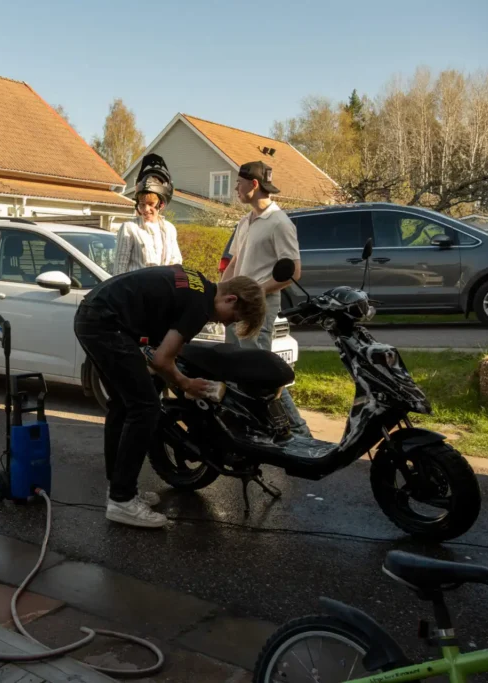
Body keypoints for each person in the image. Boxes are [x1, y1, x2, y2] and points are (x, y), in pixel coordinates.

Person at [75, 264, 266, 528]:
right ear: (230, 298)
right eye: (231, 318)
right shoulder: (200, 306)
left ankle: (119, 490)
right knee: (145, 408)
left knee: (123, 405)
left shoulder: (198, 281)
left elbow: (158, 347)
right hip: (105, 324)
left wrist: (165, 373)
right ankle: (122, 500)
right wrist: (186, 383)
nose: (225, 323)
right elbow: (164, 360)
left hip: (95, 315)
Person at [221, 160, 312, 437]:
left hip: (259, 306)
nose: (236, 187)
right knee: (234, 367)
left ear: (254, 184)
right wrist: (218, 293)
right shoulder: (245, 221)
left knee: (260, 369)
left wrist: (257, 291)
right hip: (237, 303)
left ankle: (299, 431)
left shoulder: (279, 223)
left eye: (239, 182)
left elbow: (293, 271)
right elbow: (236, 262)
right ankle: (246, 425)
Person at [112, 154, 183, 275]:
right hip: (137, 291)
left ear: (161, 204)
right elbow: (119, 269)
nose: (145, 209)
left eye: (150, 203)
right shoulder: (129, 228)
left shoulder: (169, 229)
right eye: (142, 204)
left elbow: (176, 262)